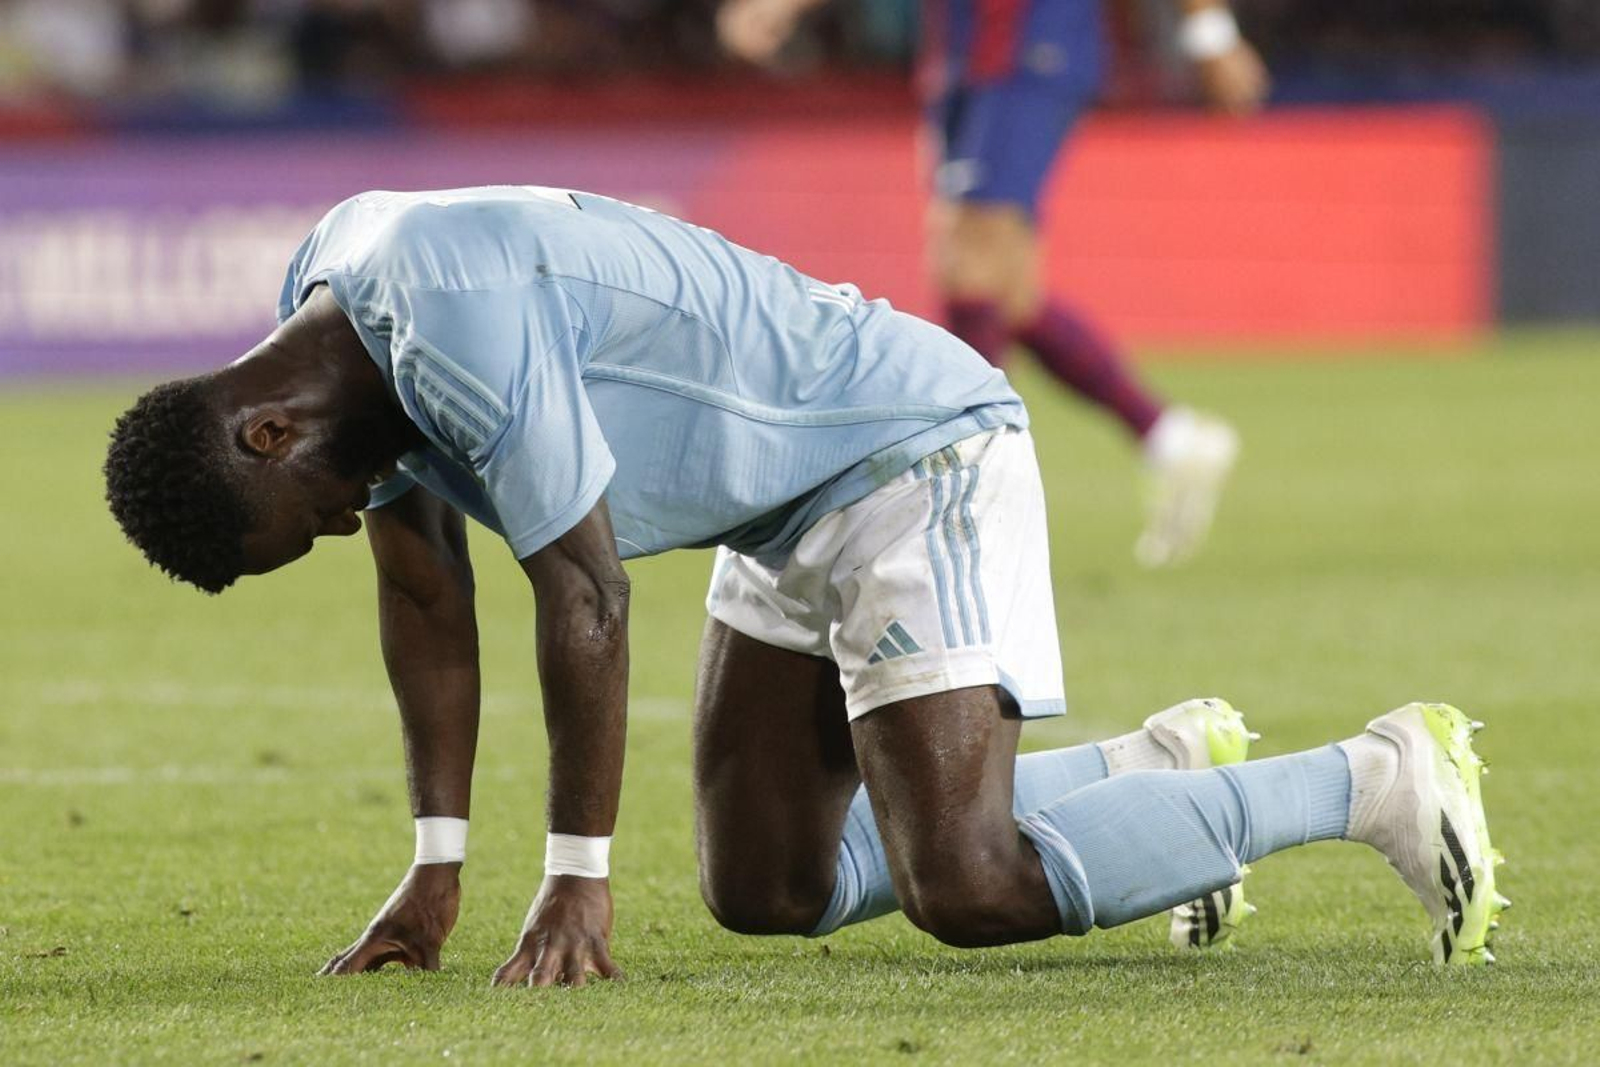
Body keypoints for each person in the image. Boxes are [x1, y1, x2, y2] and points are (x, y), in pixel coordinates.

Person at [104, 187, 1505, 985]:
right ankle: (1158, 773)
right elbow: (426, 601)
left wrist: (576, 881)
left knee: (963, 881)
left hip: (903, 447)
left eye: (309, 519)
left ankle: (1374, 773)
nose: (345, 525)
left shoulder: (438, 315)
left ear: (266, 430)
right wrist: (435, 862)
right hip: (776, 509)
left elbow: (583, 594)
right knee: (768, 885)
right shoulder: (332, 307)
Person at [719, 0, 1264, 566]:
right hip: (963, 50)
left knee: (970, 267)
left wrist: (1209, 31)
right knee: (1007, 293)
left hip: (1030, 42)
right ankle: (1168, 437)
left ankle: (959, 499)